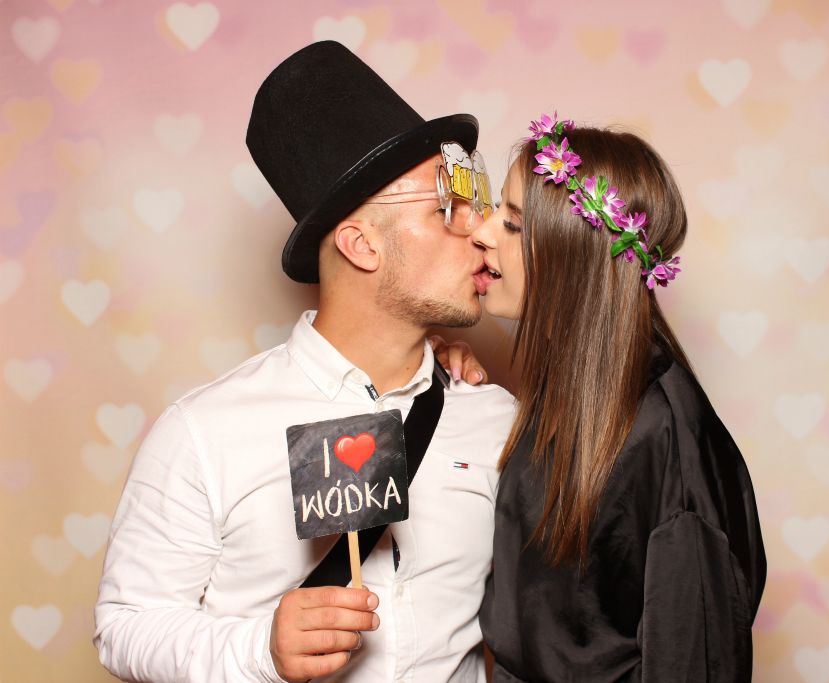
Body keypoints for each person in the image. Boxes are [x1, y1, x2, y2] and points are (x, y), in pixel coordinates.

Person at [93, 41, 514, 683]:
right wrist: (259, 650)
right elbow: (125, 626)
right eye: (445, 211)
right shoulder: (204, 431)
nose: (481, 232)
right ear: (361, 245)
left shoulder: (495, 417)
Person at [467, 115, 767, 681]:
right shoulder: (571, 395)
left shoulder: (665, 437)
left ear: (575, 249)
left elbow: (695, 661)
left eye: (512, 222)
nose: (481, 232)